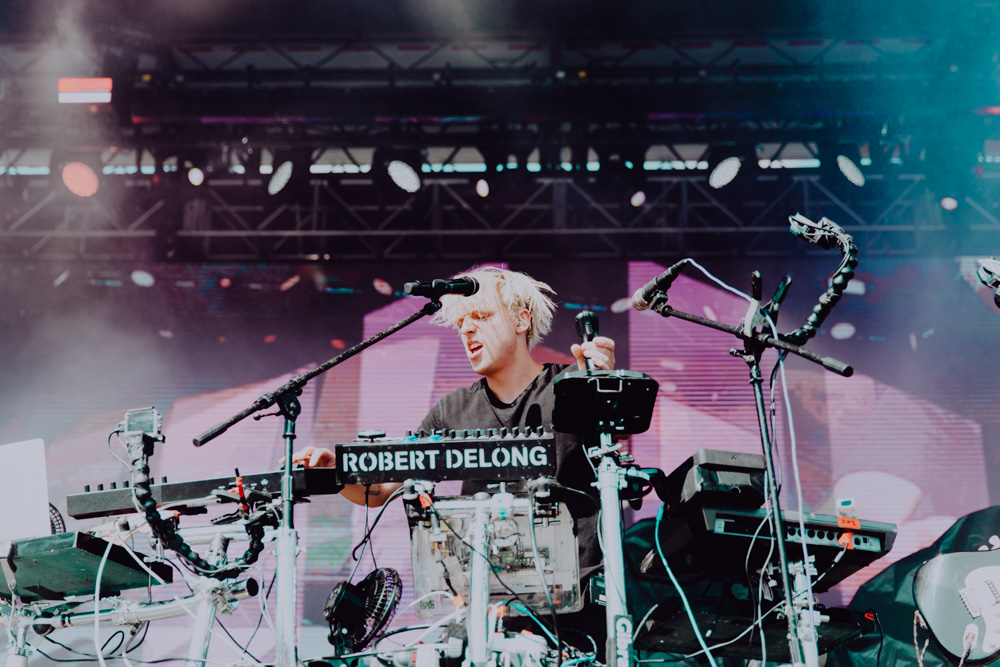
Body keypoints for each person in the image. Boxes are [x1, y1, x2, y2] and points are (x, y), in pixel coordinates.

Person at [289, 266, 616, 646]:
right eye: (461, 322)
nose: (467, 330)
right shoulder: (452, 411)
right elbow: (383, 488)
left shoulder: (573, 384)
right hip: (489, 612)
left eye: (480, 316)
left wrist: (604, 381)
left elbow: (619, 434)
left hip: (579, 609)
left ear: (521, 319)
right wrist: (337, 472)